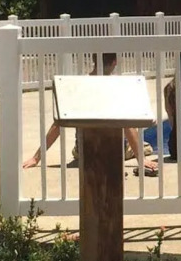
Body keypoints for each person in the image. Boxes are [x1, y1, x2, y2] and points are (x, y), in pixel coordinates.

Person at [23, 52, 159, 175]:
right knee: (147, 146)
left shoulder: (80, 86)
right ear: (115, 62)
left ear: (94, 59)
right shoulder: (117, 87)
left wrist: (36, 158)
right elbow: (128, 126)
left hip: (84, 150)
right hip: (114, 149)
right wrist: (142, 160)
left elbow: (58, 125)